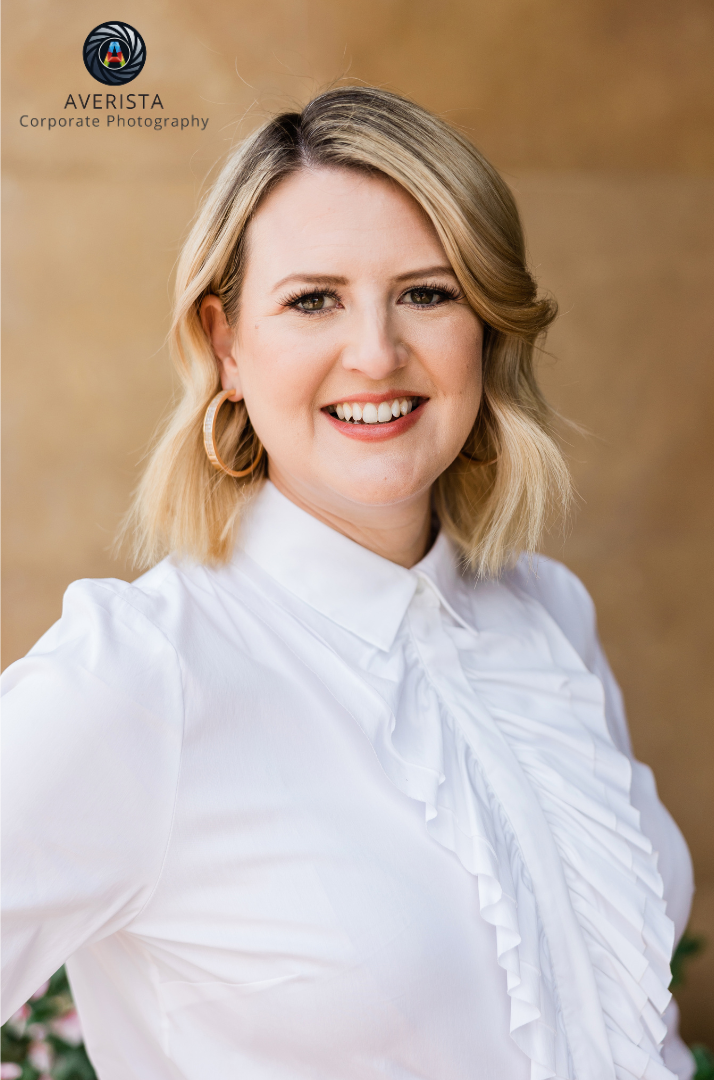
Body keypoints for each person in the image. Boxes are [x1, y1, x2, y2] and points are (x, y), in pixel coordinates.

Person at [1, 86, 695, 1080]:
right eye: (312, 299)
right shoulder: (142, 676)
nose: (375, 353)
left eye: (427, 291)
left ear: (485, 328)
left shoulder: (548, 615)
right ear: (226, 344)